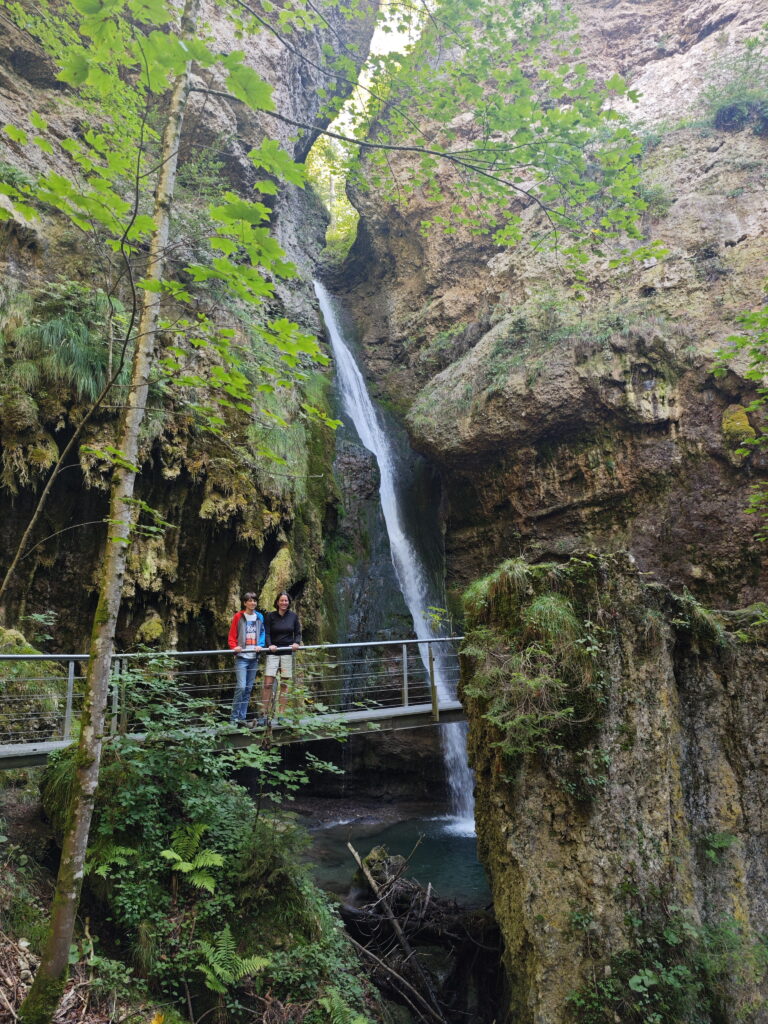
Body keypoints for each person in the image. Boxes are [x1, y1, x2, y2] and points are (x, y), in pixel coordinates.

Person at [262, 591, 303, 721]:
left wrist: (296, 643)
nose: (284, 603)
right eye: (282, 600)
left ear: (289, 603)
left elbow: (298, 633)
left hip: (286, 652)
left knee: (284, 684)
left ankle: (281, 715)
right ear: (277, 602)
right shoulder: (270, 616)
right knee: (268, 684)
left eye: (286, 601)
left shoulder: (293, 617)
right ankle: (264, 714)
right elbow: (266, 633)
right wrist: (269, 645)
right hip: (273, 652)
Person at [227, 592, 265, 724]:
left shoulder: (259, 616)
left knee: (248, 688)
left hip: (254, 658)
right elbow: (232, 634)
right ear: (245, 603)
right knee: (241, 687)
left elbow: (262, 633)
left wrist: (260, 645)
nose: (253, 603)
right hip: (242, 657)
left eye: (254, 601)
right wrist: (234, 647)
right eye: (250, 601)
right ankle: (233, 718)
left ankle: (242, 718)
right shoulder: (239, 616)